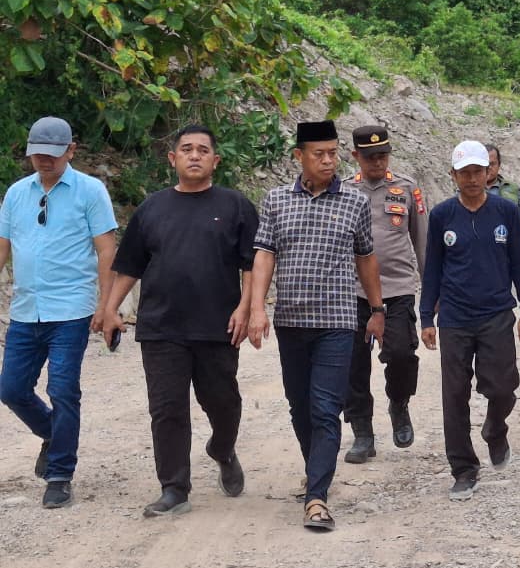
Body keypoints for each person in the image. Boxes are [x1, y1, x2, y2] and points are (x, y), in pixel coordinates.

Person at [101, 125, 257, 517]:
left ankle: (222, 449)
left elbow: (252, 264)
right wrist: (110, 309)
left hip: (218, 326)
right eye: (186, 149)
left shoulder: (236, 205)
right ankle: (174, 488)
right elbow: (130, 265)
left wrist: (246, 307)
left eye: (203, 150)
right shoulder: (152, 208)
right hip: (161, 326)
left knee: (223, 403)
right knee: (167, 409)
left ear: (215, 161)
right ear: (173, 159)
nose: (194, 155)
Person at [248, 120, 385, 532]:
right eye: (318, 154)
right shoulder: (276, 200)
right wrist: (257, 308)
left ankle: (317, 498)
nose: (328, 161)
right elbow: (264, 256)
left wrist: (377, 309)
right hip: (291, 321)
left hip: (337, 322)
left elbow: (366, 258)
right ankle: (316, 470)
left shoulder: (355, 202)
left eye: (333, 153)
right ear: (299, 156)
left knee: (326, 408)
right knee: (300, 406)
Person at [0, 117, 117, 509]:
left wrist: (106, 305)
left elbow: (106, 250)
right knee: (11, 389)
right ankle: (53, 433)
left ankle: (59, 474)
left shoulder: (90, 191)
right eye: (37, 153)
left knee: (63, 389)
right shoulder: (17, 193)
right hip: (25, 309)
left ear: (71, 150)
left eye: (52, 153)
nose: (44, 160)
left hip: (71, 310)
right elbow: (3, 248)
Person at [420, 140, 520, 502]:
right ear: (453, 176)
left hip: (496, 314)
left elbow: (519, 263)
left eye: (478, 172)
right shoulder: (441, 215)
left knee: (502, 387)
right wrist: (426, 317)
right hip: (454, 318)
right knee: (454, 395)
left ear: (489, 173)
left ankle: (495, 429)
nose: (472, 179)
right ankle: (463, 469)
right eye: (464, 173)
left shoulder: (505, 211)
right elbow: (432, 268)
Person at [342, 125, 429, 464]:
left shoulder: (406, 188)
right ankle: (362, 432)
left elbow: (422, 241)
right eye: (370, 157)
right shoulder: (343, 191)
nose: (377, 162)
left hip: (398, 288)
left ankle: (399, 403)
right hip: (353, 291)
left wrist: (431, 289)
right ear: (356, 156)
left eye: (383, 156)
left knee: (402, 354)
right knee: (353, 364)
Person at [485, 145, 520, 273]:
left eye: (492, 164)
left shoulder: (513, 189)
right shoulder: (470, 190)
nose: (488, 168)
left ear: (499, 165)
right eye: (485, 164)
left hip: (507, 253)